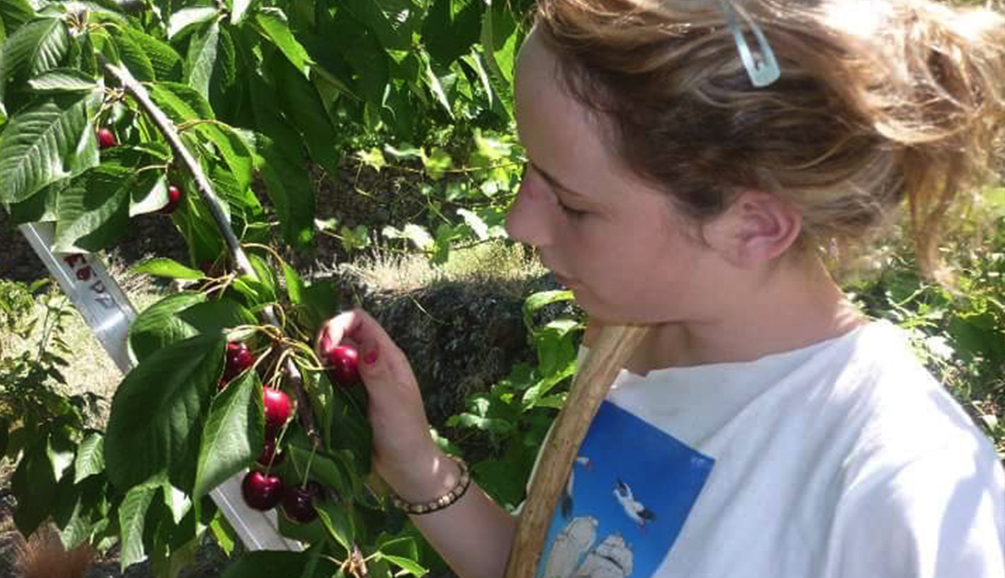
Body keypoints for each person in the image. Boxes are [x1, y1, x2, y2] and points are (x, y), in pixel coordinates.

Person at [316, 0, 1005, 576]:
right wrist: (413, 462)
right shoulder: (632, 341)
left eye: (573, 203)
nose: (517, 221)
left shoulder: (897, 490)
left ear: (752, 227)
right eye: (529, 170)